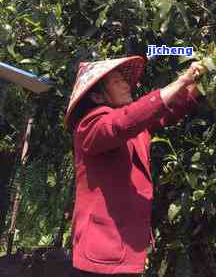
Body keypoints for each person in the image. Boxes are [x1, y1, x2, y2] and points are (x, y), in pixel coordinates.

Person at [64, 55, 207, 276]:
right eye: (116, 81)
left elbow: (164, 113)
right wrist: (181, 81)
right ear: (97, 96)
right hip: (102, 249)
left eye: (124, 79)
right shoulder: (90, 126)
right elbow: (124, 122)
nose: (125, 85)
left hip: (125, 248)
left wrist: (202, 83)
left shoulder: (133, 127)